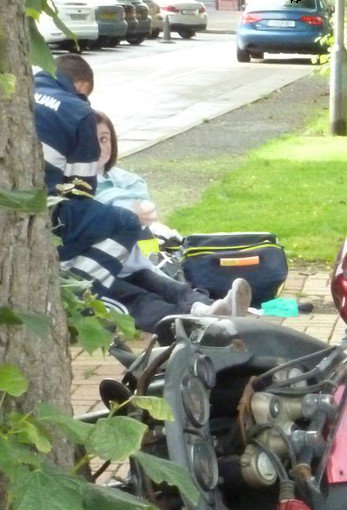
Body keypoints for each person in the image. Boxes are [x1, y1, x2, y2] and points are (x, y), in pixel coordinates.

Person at [33, 54, 246, 329]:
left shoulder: (27, 91)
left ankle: (204, 309)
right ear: (83, 86)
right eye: (94, 140)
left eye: (105, 139)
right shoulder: (77, 112)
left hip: (124, 258)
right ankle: (75, 295)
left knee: (154, 279)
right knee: (134, 290)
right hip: (79, 251)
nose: (98, 147)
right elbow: (80, 191)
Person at [94, 112, 160, 228]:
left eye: (103, 139)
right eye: (89, 140)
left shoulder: (129, 179)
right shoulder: (72, 184)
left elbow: (148, 214)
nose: (98, 147)